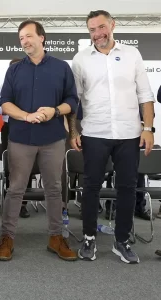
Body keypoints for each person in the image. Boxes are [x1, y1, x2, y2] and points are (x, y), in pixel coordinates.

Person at [69, 10, 155, 264]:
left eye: (101, 27)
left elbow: (145, 95)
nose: (97, 34)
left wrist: (148, 129)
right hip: (94, 132)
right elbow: (75, 99)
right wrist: (74, 131)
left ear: (112, 25)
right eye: (92, 30)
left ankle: (122, 241)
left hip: (129, 133)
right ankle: (88, 239)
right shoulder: (81, 59)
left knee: (128, 187)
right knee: (91, 187)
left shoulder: (132, 54)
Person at [0, 20, 78, 262]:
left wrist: (55, 110)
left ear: (42, 38)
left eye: (29, 36)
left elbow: (72, 100)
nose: (25, 41)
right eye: (21, 38)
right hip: (21, 138)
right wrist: (26, 116)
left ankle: (56, 237)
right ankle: (7, 237)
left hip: (52, 138)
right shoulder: (14, 70)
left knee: (54, 189)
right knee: (15, 189)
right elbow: (5, 103)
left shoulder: (61, 67)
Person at [0, 58, 31, 219]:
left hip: (28, 128)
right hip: (9, 128)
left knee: (28, 167)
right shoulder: (6, 84)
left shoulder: (30, 86)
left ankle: (23, 204)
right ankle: (9, 201)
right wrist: (11, 109)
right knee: (10, 167)